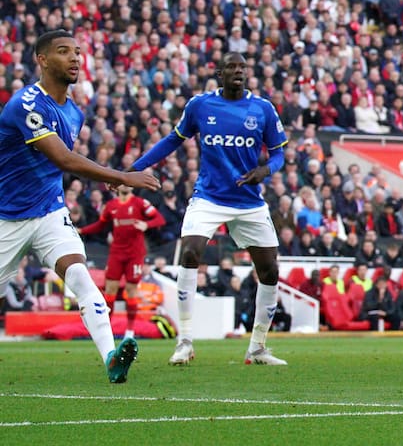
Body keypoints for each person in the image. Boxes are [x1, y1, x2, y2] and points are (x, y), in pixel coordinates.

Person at [0, 30, 159, 383]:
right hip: (6, 218)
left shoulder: (74, 112)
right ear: (41, 60)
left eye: (77, 52)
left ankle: (111, 359)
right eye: (63, 52)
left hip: (49, 213)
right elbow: (64, 159)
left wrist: (108, 176)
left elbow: (64, 162)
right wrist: (121, 175)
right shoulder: (26, 104)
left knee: (80, 277)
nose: (74, 58)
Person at [133, 52, 289, 366]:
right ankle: (185, 341)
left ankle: (257, 347)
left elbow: (279, 154)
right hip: (209, 198)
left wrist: (266, 170)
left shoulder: (263, 109)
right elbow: (171, 141)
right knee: (190, 252)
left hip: (248, 200)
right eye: (232, 67)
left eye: (243, 67)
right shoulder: (200, 105)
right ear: (220, 73)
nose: (238, 72)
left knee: (270, 270)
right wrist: (135, 169)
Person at [77, 185, 165, 331]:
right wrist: (81, 230)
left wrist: (147, 224)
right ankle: (107, 328)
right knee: (110, 289)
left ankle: (130, 331)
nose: (125, 185)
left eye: (128, 182)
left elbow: (160, 219)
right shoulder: (111, 206)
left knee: (131, 289)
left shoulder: (140, 203)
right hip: (117, 252)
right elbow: (100, 225)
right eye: (122, 183)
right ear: (117, 187)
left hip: (135, 253)